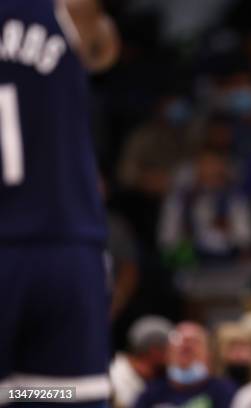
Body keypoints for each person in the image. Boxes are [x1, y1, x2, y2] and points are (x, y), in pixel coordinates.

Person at [0, 0, 118, 406]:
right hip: (62, 250)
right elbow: (104, 51)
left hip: (54, 242)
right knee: (57, 396)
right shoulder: (68, 9)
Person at [134, 321, 236, 408]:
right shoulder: (151, 392)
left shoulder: (225, 391)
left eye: (194, 341)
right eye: (178, 341)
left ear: (208, 354)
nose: (186, 343)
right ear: (167, 354)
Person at [109, 315, 173, 408]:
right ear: (155, 351)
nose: (175, 355)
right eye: (170, 349)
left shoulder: (159, 382)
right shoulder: (113, 376)